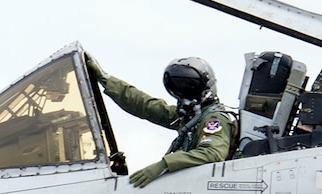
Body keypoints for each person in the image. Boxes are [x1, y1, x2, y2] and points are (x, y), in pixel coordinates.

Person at [87, 54, 238, 186]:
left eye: (187, 89)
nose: (182, 97)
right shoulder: (189, 117)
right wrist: (105, 79)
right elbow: (146, 105)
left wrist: (164, 165)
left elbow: (212, 153)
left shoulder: (214, 119)